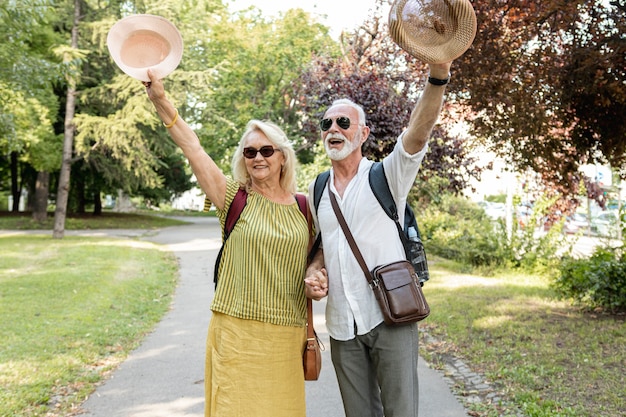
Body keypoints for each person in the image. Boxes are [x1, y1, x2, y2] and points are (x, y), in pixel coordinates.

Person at [143, 70, 314, 417]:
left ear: (283, 156)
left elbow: (319, 254)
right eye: (250, 152)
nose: (258, 158)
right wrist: (160, 100)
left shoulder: (305, 206)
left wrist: (317, 272)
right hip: (236, 332)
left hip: (287, 334)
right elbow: (192, 147)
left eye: (267, 150)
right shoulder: (232, 197)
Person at [304, 61, 453, 417]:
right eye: (327, 124)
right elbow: (324, 244)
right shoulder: (317, 188)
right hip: (342, 324)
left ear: (363, 133)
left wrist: (438, 76)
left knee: (401, 412)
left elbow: (417, 134)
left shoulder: (387, 176)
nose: (333, 129)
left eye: (343, 122)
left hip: (391, 317)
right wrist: (314, 272)